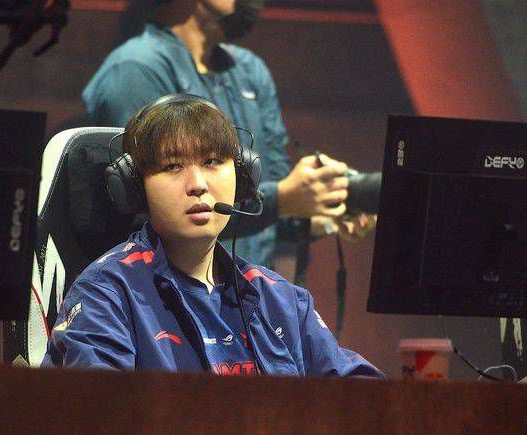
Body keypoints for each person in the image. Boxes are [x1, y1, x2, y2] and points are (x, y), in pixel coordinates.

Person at [42, 94, 382, 378]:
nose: (198, 185)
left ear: (243, 176)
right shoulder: (106, 294)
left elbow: (360, 395)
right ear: (134, 187)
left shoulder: (281, 301)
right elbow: (101, 419)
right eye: (172, 166)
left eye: (212, 161)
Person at [81, 0, 371, 281]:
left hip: (247, 296)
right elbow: (143, 214)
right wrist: (283, 199)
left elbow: (271, 198)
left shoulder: (249, 70)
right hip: (166, 295)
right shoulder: (135, 70)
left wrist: (321, 213)